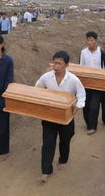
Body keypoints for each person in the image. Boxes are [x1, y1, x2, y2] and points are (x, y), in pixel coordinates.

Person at [35, 51, 86, 183]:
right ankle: (46, 171)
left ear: (66, 65)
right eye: (54, 63)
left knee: (65, 140)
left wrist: (78, 106)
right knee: (47, 143)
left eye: (59, 63)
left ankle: (63, 159)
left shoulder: (73, 80)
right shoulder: (46, 77)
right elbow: (37, 88)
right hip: (49, 116)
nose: (56, 66)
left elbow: (81, 94)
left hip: (66, 117)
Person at [80, 31, 105, 135]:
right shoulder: (83, 52)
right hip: (86, 84)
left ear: (96, 41)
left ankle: (92, 127)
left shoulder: (101, 52)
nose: (90, 42)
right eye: (88, 40)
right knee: (85, 106)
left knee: (94, 106)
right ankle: (88, 124)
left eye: (92, 40)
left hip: (98, 85)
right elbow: (81, 67)